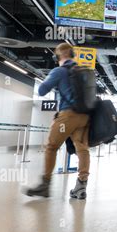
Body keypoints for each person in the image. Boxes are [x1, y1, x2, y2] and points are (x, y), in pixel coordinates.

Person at [25, 43, 91, 199]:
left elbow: (41, 91)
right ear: (73, 54)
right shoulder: (84, 72)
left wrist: (54, 80)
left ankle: (45, 185)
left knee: (51, 147)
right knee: (82, 149)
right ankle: (81, 187)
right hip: (85, 117)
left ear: (58, 57)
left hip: (68, 115)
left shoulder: (59, 71)